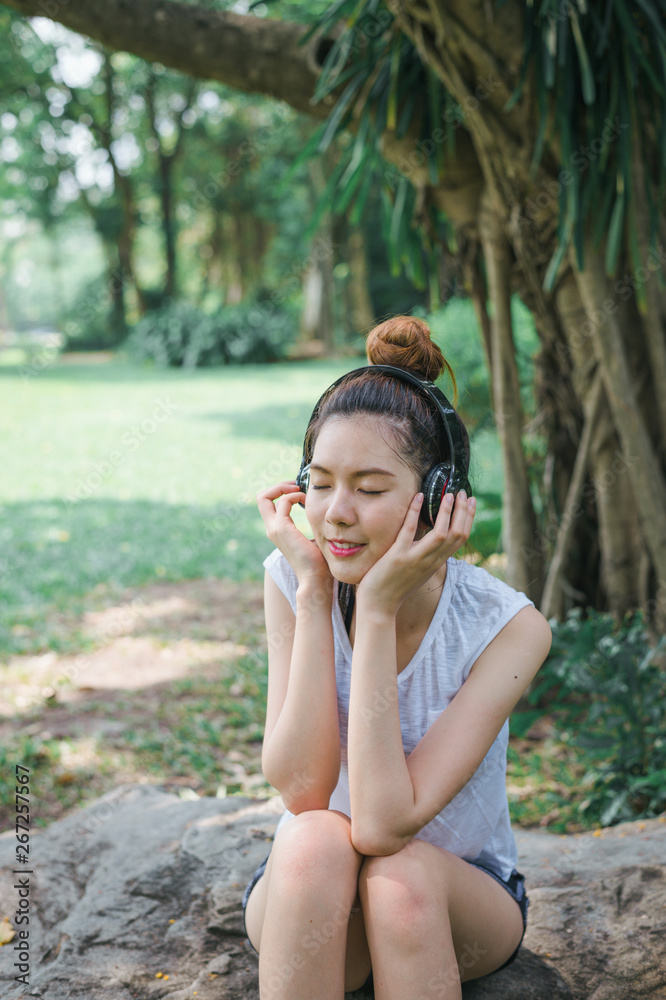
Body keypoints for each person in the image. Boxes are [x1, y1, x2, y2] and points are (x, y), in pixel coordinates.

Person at [244, 316, 552, 999]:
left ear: (440, 497)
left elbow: (384, 826)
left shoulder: (510, 628)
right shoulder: (294, 579)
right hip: (320, 900)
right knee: (314, 838)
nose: (334, 515)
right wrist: (318, 595)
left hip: (454, 903)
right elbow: (302, 789)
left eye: (371, 489)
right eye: (319, 484)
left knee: (400, 876)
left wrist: (378, 610)